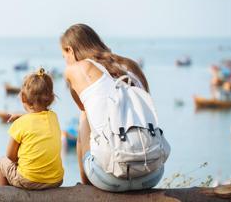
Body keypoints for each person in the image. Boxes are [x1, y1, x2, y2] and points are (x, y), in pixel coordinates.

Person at [60, 24, 166, 192]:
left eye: (64, 55)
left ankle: (86, 187)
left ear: (70, 50)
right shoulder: (131, 66)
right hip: (152, 173)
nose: (65, 60)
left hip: (108, 179)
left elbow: (84, 108)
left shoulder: (74, 70)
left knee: (84, 115)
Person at [0, 68, 64, 190]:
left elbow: (10, 156)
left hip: (29, 180)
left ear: (23, 98)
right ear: (51, 98)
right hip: (56, 180)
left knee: (2, 163)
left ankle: (4, 196)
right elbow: (37, 118)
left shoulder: (21, 123)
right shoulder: (54, 117)